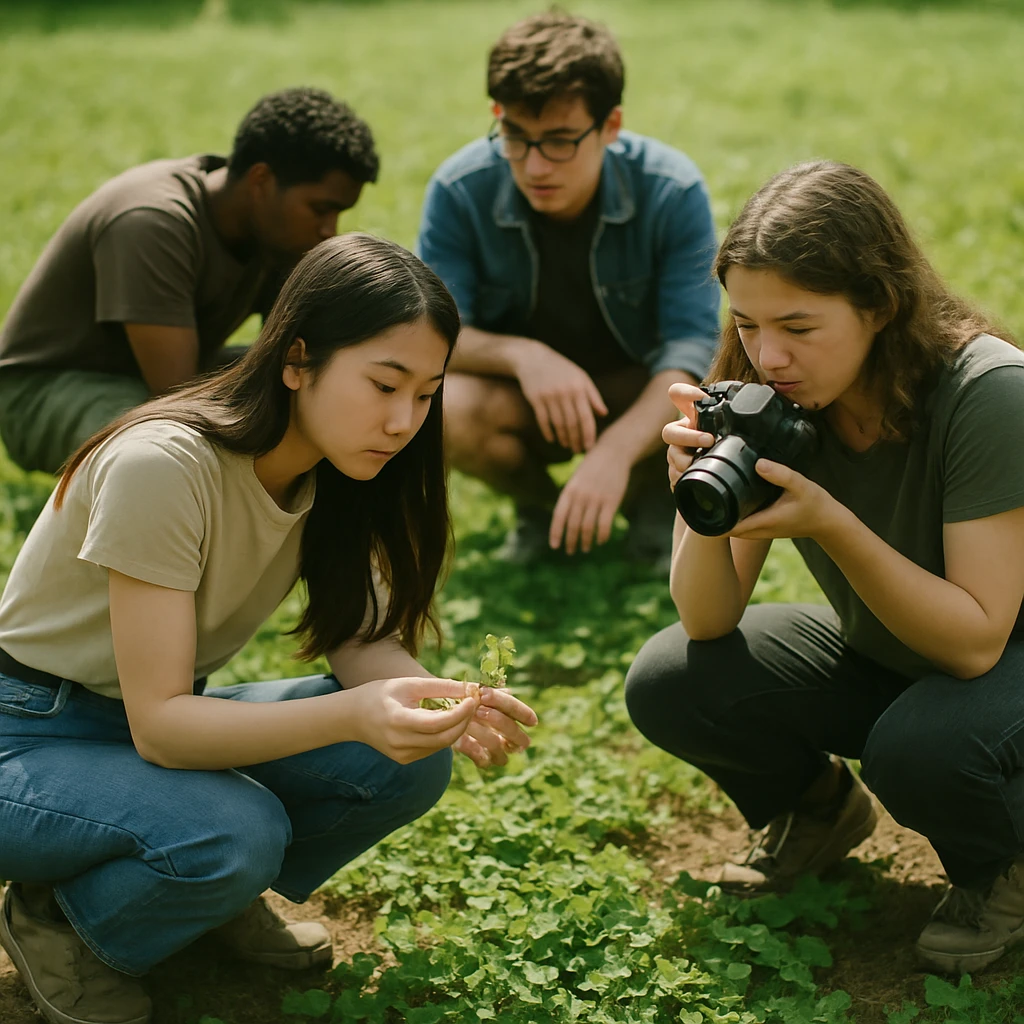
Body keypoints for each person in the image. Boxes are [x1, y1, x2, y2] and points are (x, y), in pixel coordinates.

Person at [0, 233, 539, 1024]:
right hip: (26, 735)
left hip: (133, 729)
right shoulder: (163, 465)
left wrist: (440, 703)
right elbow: (162, 728)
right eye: (384, 384)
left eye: (426, 395)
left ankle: (200, 900)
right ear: (296, 360)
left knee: (405, 763)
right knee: (235, 831)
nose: (403, 422)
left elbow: (360, 641)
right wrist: (356, 712)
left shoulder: (336, 469)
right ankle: (63, 925)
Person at [625, 161, 1024, 974]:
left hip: (1002, 659)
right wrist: (700, 498)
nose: (768, 354)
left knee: (918, 750)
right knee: (673, 677)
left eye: (798, 327)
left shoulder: (989, 393)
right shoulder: (768, 391)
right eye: (746, 323)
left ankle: (1006, 865)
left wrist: (833, 524)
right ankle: (817, 811)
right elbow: (707, 618)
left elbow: (976, 643)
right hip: (902, 651)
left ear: (879, 305)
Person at [416, 11, 719, 567]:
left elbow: (693, 349)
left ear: (610, 125)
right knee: (444, 407)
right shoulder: (460, 190)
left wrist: (615, 452)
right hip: (523, 400)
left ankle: (652, 497)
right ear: (497, 116)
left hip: (639, 392)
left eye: (559, 141)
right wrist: (525, 357)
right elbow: (432, 335)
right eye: (515, 136)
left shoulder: (672, 191)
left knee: (713, 391)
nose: (534, 166)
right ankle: (544, 511)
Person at [0, 86, 379, 475]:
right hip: (46, 390)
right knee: (166, 451)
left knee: (320, 376)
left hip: (164, 371)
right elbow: (176, 395)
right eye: (320, 209)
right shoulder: (152, 222)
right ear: (261, 180)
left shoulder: (276, 232)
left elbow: (298, 355)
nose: (329, 230)